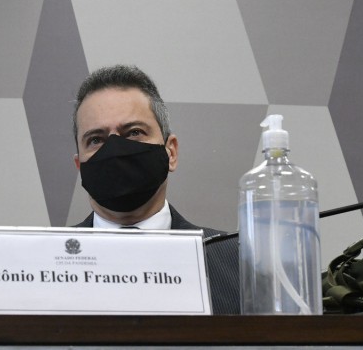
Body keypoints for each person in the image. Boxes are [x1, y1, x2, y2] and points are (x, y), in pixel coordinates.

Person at [71, 64, 239, 314]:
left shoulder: (239, 259)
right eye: (96, 139)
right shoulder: (41, 264)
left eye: (134, 132)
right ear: (79, 165)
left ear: (171, 152)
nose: (115, 149)